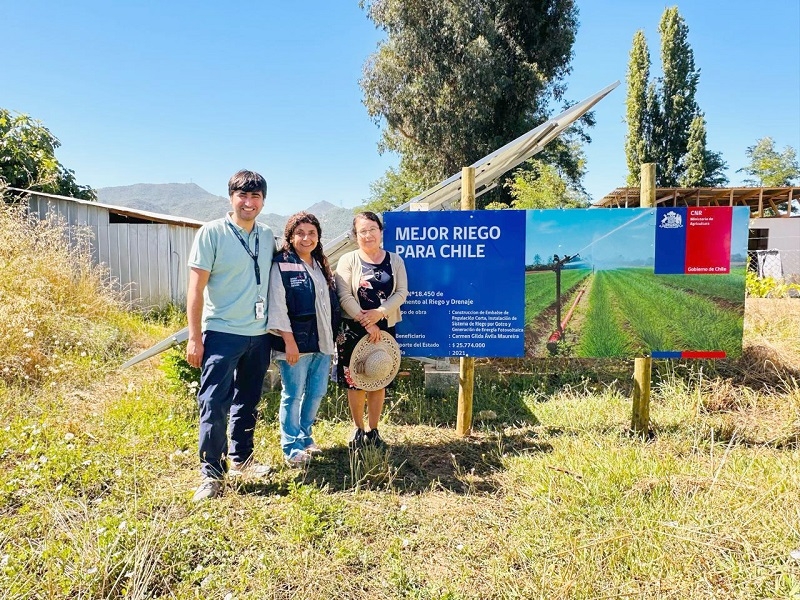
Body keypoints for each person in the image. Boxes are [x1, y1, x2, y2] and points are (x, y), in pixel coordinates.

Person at [186, 169, 275, 502]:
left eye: (255, 197)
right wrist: (195, 337)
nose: (248, 202)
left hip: (259, 333)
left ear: (263, 201)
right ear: (231, 197)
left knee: (248, 399)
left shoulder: (267, 236)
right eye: (242, 195)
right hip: (222, 331)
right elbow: (195, 289)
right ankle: (211, 474)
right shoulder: (211, 233)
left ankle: (242, 458)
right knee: (213, 402)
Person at [266, 212, 340, 467]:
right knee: (294, 394)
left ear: (318, 237)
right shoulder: (282, 264)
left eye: (312, 233)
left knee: (317, 392)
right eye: (300, 233)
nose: (306, 238)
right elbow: (276, 306)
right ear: (290, 236)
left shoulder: (320, 264)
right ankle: (291, 446)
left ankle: (306, 437)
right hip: (295, 343)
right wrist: (289, 342)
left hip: (323, 342)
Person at [335, 211, 408, 450]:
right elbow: (344, 295)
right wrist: (367, 321)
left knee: (379, 375)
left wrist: (380, 312)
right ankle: (358, 428)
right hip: (354, 329)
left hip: (385, 327)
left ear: (380, 231)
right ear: (356, 235)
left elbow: (401, 293)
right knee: (355, 381)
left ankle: (374, 430)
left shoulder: (395, 260)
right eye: (362, 231)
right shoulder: (348, 260)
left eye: (372, 229)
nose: (368, 235)